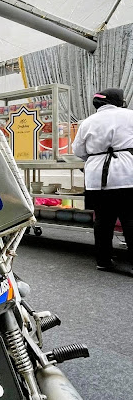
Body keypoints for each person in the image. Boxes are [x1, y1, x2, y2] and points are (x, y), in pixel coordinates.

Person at [72, 87, 133, 274]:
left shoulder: (88, 122)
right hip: (126, 173)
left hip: (97, 177)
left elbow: (78, 151)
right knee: (130, 219)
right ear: (118, 101)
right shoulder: (130, 116)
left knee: (103, 220)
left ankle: (103, 261)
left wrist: (96, 157)